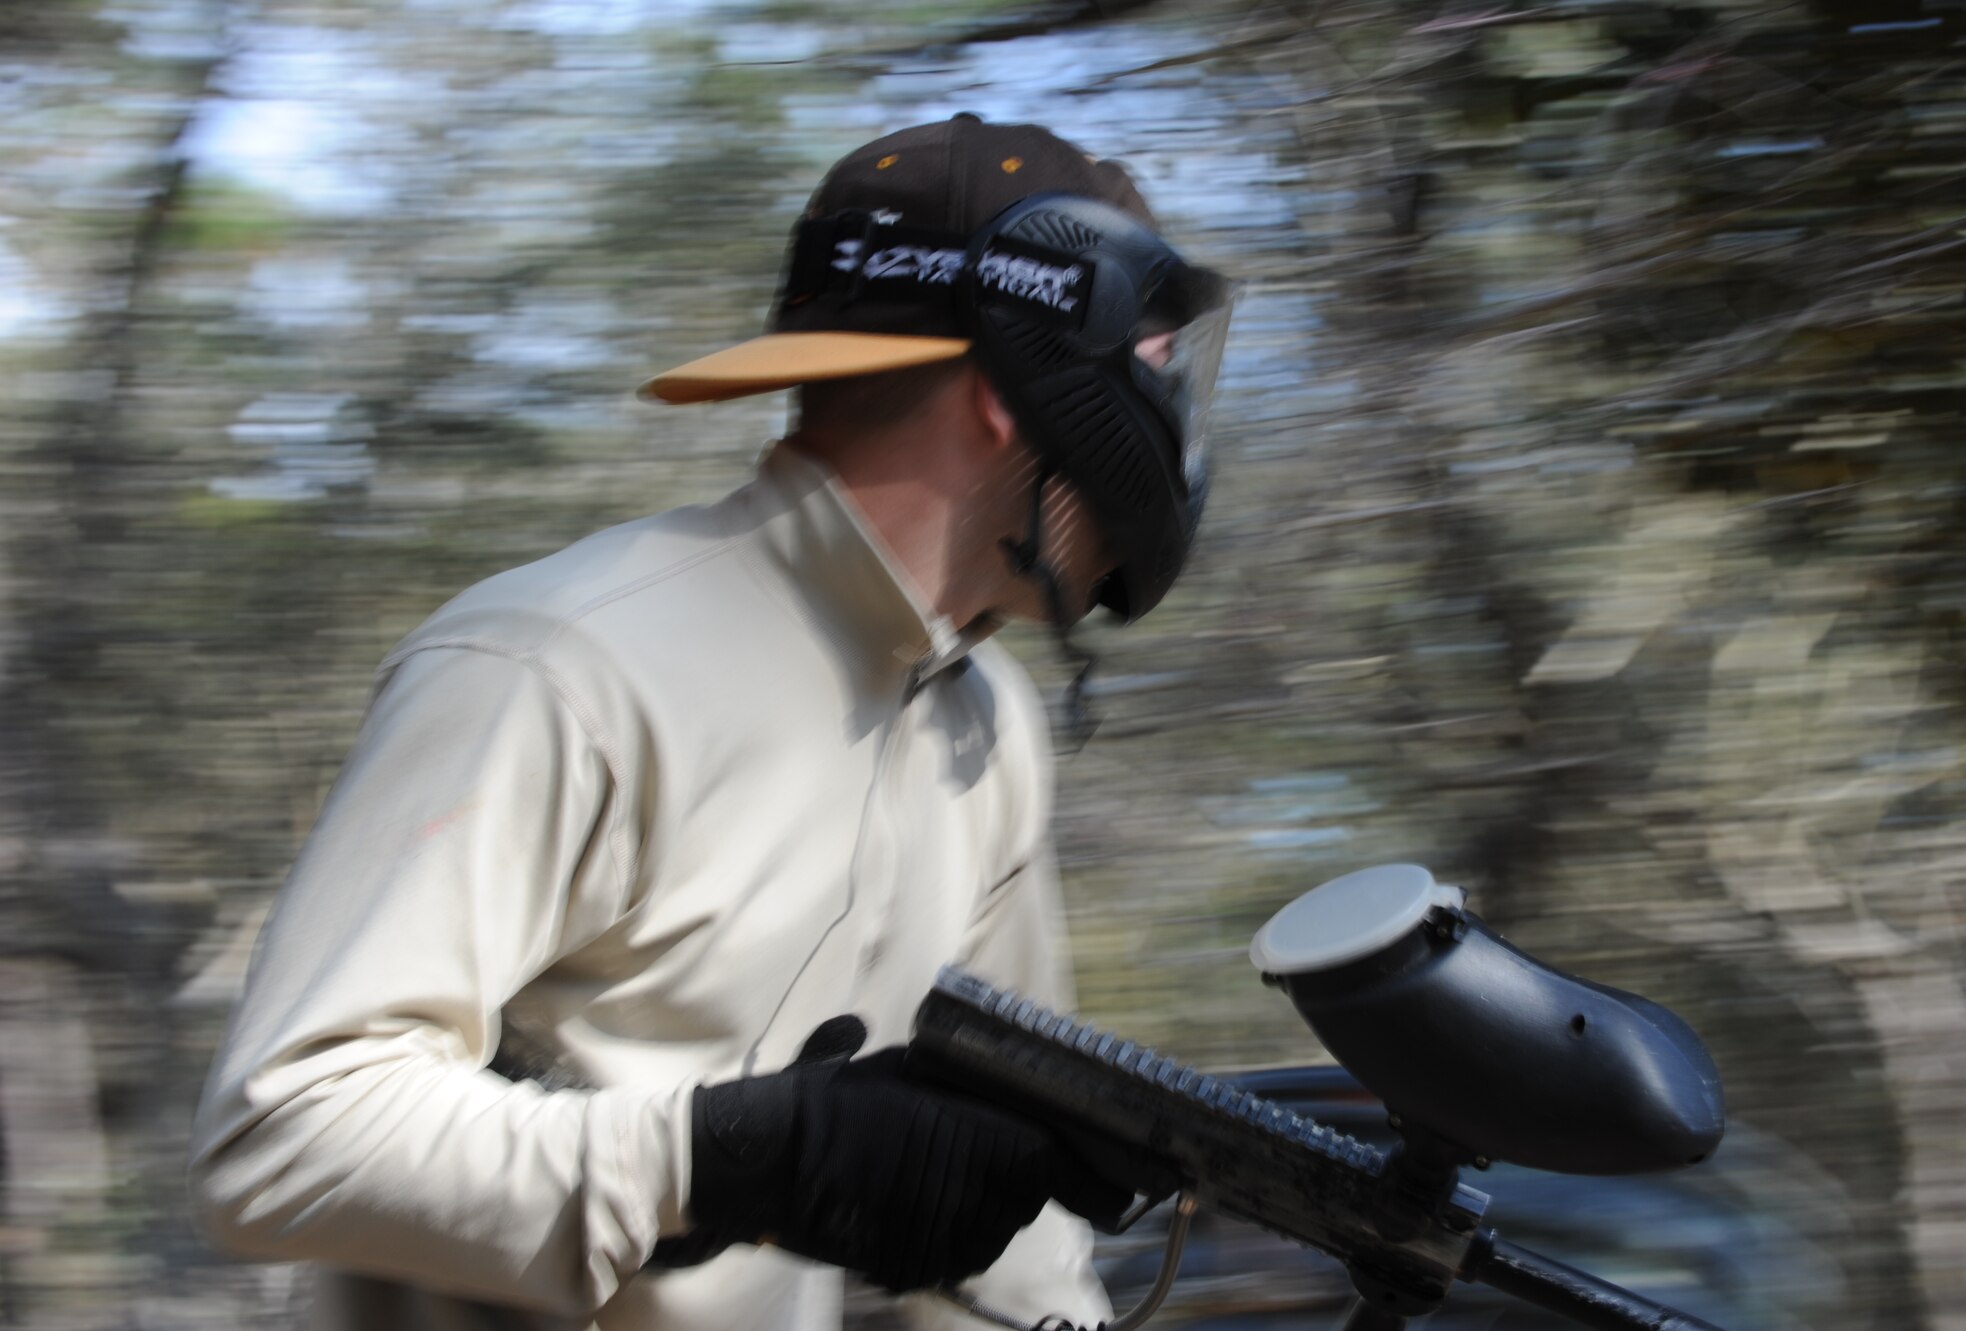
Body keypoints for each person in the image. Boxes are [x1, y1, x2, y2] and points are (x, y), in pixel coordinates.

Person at [187, 113, 1233, 1331]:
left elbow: (1000, 1206)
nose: (1167, 415)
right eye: (1152, 362)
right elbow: (281, 1135)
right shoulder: (559, 666)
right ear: (1013, 386)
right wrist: (721, 1157)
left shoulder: (984, 721)